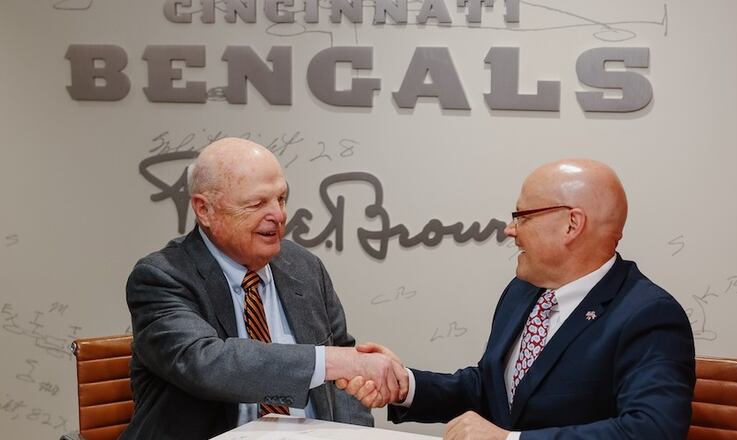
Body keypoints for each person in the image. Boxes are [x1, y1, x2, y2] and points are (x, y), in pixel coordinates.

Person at [339, 159, 696, 439]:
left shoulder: (649, 316)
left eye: (522, 216)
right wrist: (405, 385)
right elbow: (489, 388)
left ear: (572, 224)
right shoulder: (523, 291)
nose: (510, 230)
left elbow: (651, 431)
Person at [121, 137, 407, 439]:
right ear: (204, 210)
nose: (279, 215)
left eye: (281, 199)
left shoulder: (305, 267)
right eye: (258, 203)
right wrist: (335, 361)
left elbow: (344, 384)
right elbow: (206, 363)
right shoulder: (161, 276)